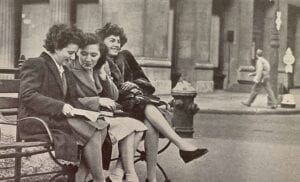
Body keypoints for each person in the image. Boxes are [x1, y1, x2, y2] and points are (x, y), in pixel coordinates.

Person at [96, 23, 208, 182]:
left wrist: (133, 86)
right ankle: (181, 145)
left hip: (134, 102)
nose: (117, 44)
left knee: (149, 122)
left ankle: (151, 177)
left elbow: (145, 81)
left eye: (118, 41)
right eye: (112, 40)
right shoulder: (98, 59)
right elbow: (102, 91)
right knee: (147, 108)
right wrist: (121, 88)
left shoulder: (125, 56)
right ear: (102, 42)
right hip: (116, 108)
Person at [18, 24, 108, 182]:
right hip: (37, 120)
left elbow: (72, 99)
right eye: (70, 53)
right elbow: (28, 95)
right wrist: (61, 107)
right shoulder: (36, 63)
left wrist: (88, 112)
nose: (73, 58)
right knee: (93, 131)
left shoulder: (64, 69)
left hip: (57, 118)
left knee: (100, 124)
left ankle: (79, 178)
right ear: (56, 47)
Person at [67, 32, 147, 182]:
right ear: (77, 52)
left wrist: (104, 77)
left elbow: (114, 96)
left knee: (138, 127)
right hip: (84, 119)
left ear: (100, 56)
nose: (88, 59)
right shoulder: (70, 70)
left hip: (98, 117)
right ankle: (124, 175)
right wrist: (97, 101)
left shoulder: (97, 69)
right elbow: (71, 99)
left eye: (93, 55)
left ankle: (122, 174)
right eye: (83, 54)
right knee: (125, 128)